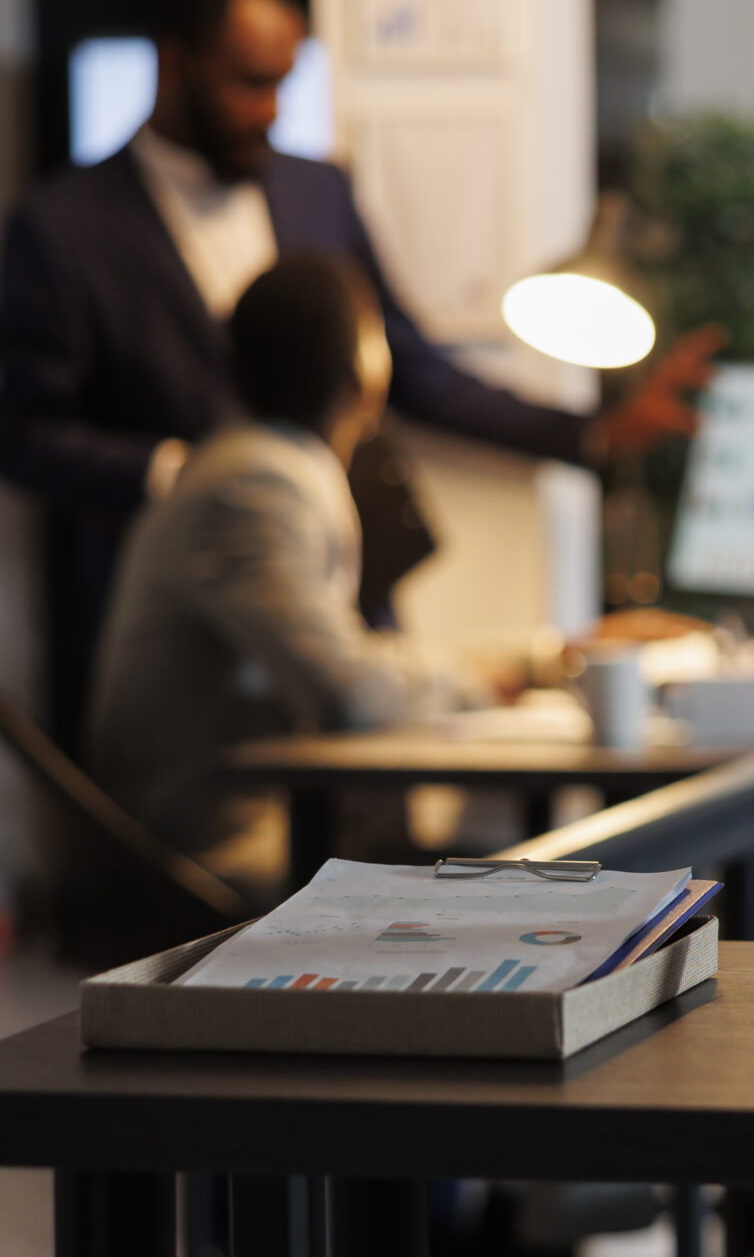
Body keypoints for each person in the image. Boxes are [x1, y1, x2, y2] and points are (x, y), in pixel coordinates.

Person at [0, 0, 712, 744]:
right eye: (249, 83)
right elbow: (22, 436)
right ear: (174, 65)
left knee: (381, 781)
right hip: (192, 628)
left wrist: (592, 434)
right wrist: (179, 473)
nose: (272, 109)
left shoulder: (317, 189)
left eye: (284, 82)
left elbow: (408, 364)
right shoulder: (62, 227)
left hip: (339, 584)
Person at [87, 252, 491, 881]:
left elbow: (341, 667)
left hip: (231, 825)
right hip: (196, 856)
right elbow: (347, 693)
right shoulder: (257, 481)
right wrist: (489, 680)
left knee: (477, 875)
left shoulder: (251, 464)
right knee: (490, 887)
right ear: (365, 369)